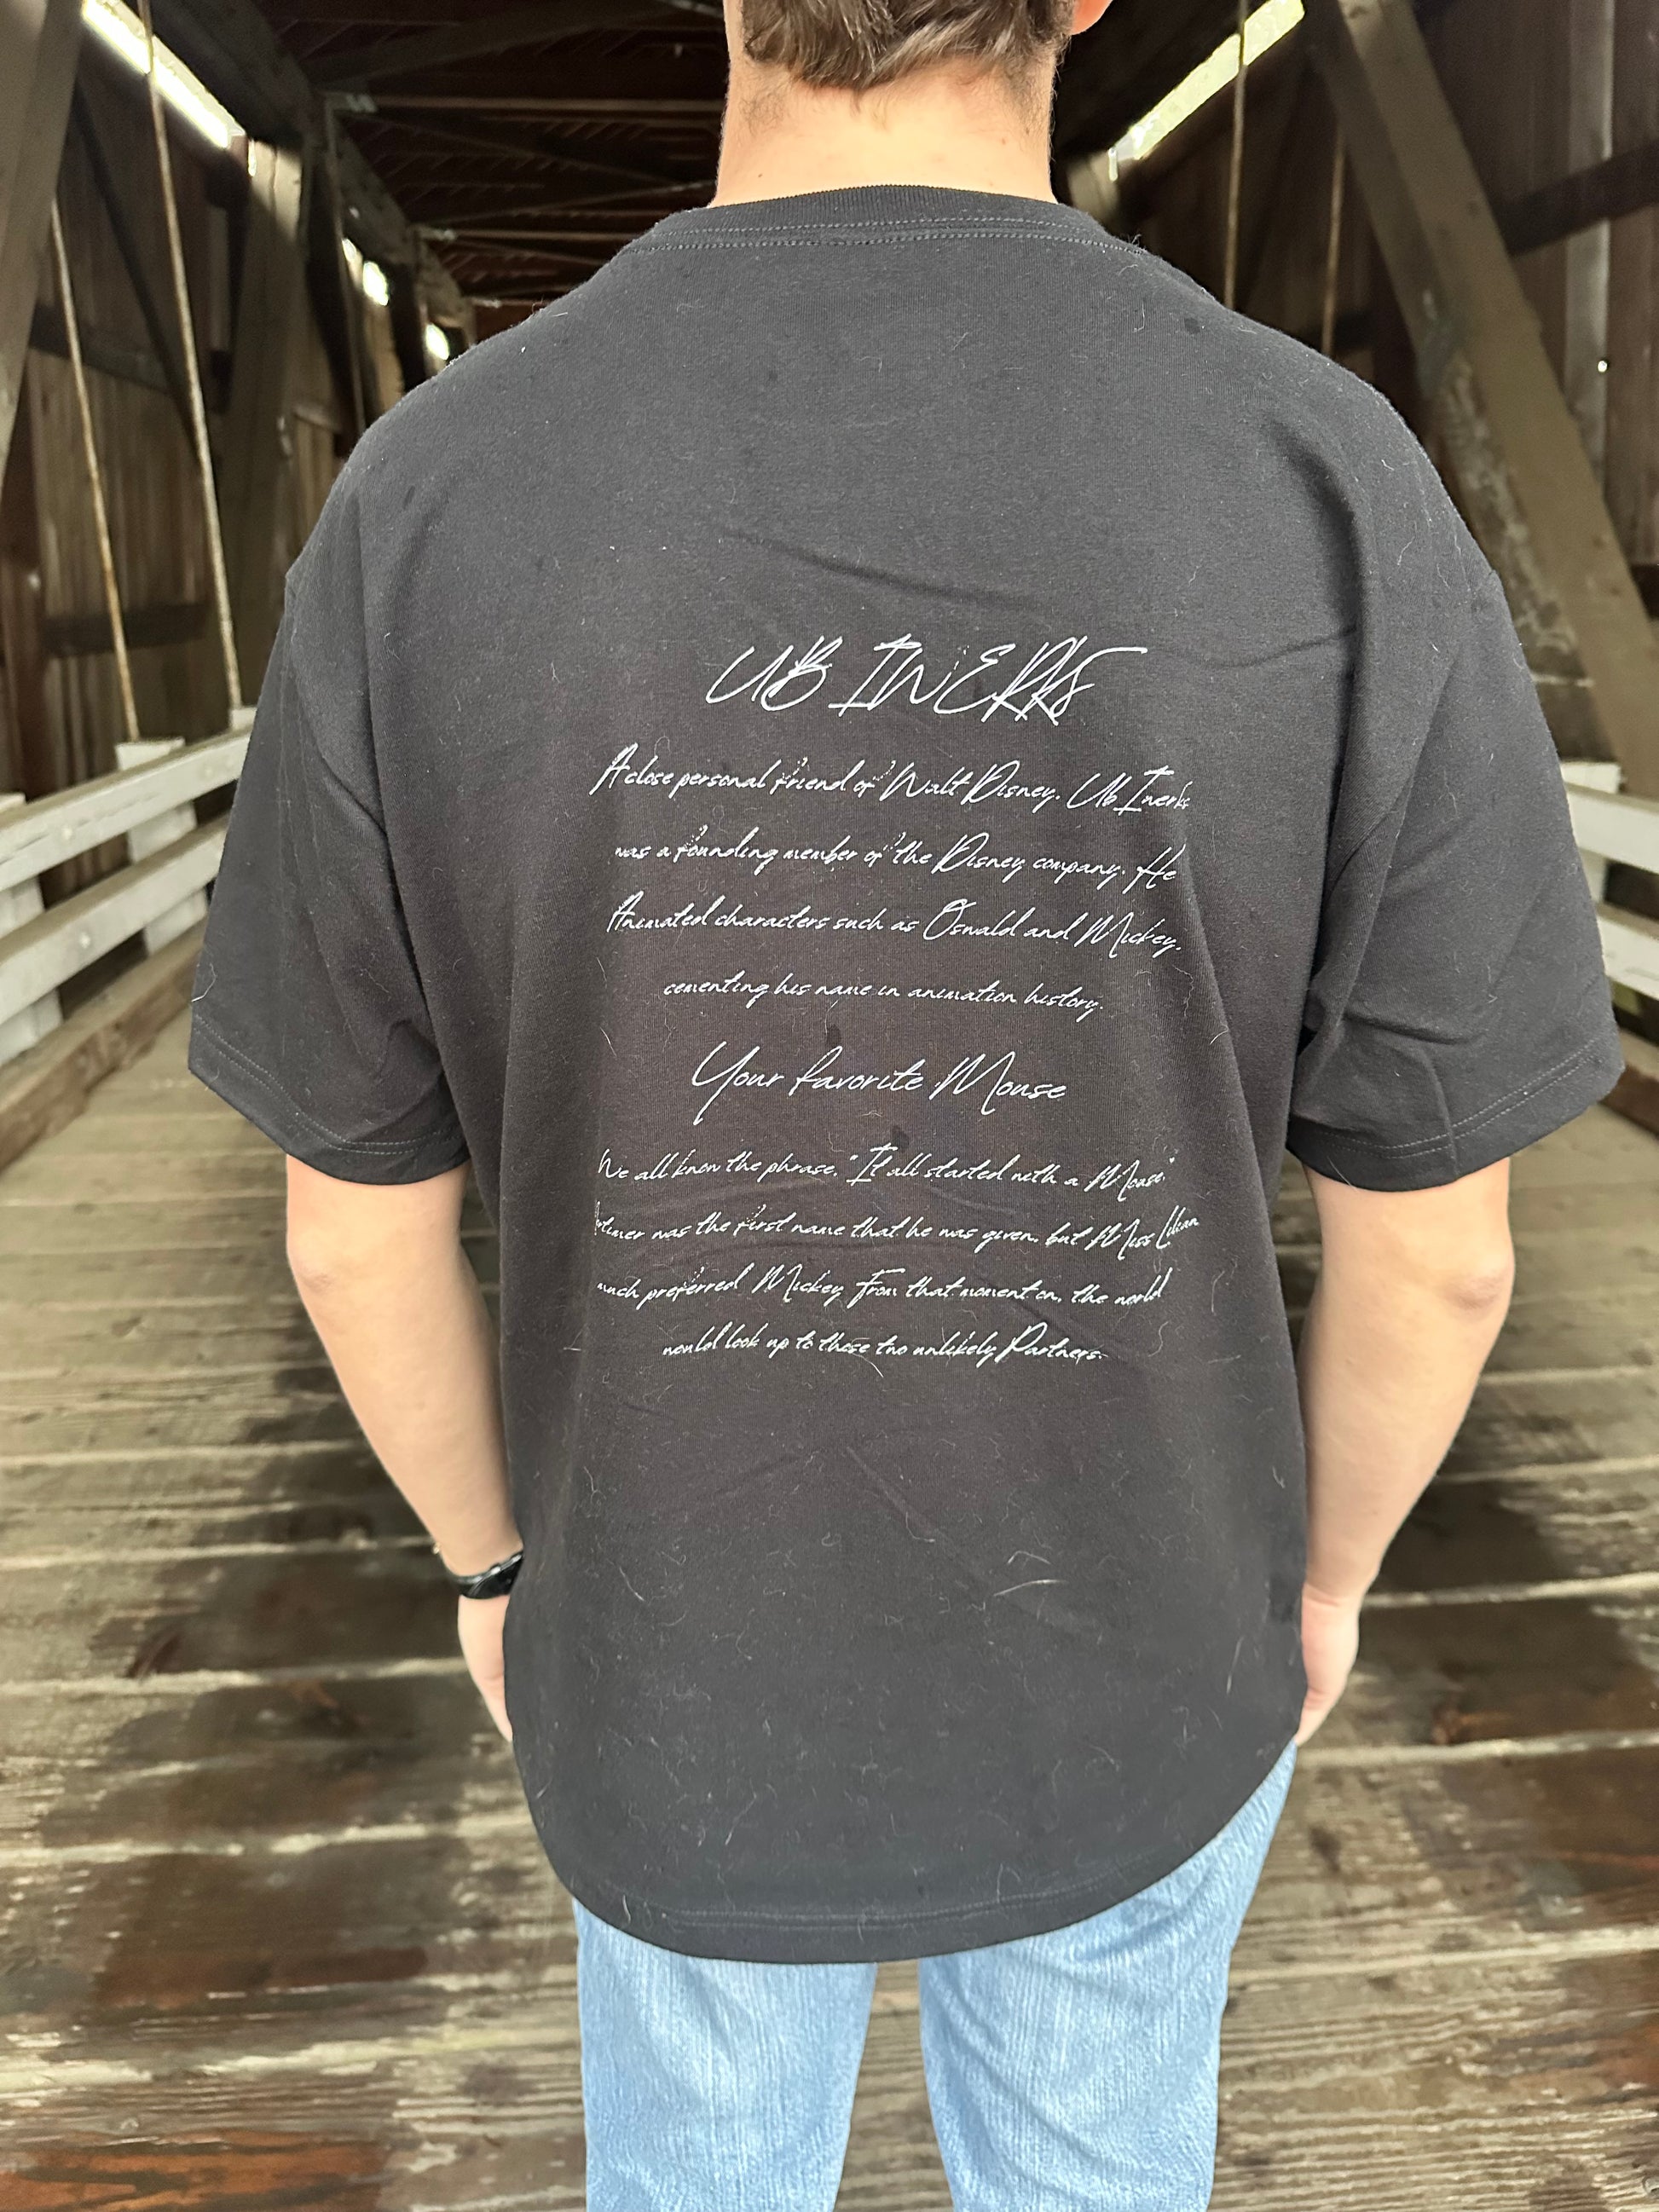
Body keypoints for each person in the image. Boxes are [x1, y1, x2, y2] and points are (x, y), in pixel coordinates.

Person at [186, 0, 1623, 2198]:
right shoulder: (1319, 472)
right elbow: (1444, 1254)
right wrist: (1314, 1584)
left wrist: (495, 1570)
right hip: (1148, 1653)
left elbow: (348, 1224)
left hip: (667, 1653)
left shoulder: (432, 493)